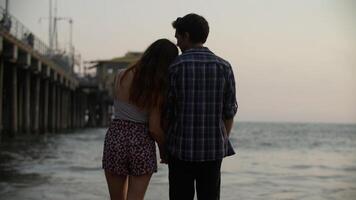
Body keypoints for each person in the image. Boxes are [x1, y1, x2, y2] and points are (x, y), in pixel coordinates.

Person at [165, 13, 238, 200]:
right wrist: (221, 139)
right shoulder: (224, 67)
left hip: (180, 149)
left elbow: (168, 112)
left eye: (178, 37)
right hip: (213, 150)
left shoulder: (175, 67)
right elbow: (229, 112)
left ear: (186, 36)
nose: (177, 43)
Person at [102, 38, 178, 200]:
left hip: (116, 137)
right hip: (140, 141)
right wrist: (164, 152)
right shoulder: (157, 86)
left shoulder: (121, 75)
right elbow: (154, 129)